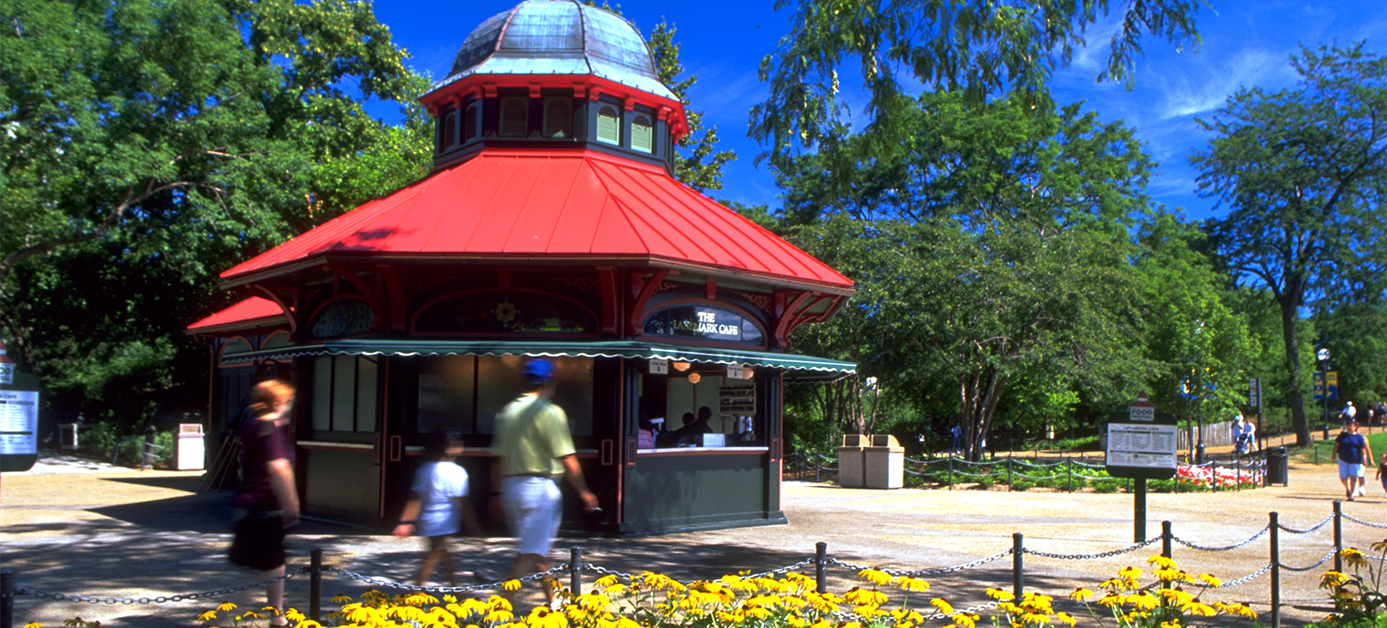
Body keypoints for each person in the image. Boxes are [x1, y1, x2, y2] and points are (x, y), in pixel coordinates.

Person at [491, 359, 599, 606]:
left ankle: (556, 604)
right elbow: (567, 458)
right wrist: (584, 492)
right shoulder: (550, 412)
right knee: (529, 553)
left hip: (511, 488)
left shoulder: (507, 412)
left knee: (539, 550)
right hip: (539, 489)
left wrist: (495, 495)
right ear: (549, 381)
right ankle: (496, 607)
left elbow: (498, 460)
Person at [228, 380, 298, 626]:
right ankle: (277, 618)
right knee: (273, 563)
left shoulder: (252, 425)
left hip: (248, 501)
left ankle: (235, 615)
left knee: (254, 562)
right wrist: (292, 502)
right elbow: (279, 467)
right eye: (288, 400)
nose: (290, 404)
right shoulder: (271, 428)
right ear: (278, 401)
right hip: (267, 504)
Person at [393, 432, 483, 586]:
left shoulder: (424, 469)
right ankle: (416, 592)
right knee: (434, 557)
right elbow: (462, 503)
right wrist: (475, 528)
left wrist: (405, 521)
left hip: (427, 520)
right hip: (444, 522)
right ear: (450, 448)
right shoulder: (458, 472)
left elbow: (415, 497)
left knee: (445, 558)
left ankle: (456, 590)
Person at [1334, 419, 1372, 501]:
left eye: (1351, 425)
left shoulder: (1359, 437)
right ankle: (1347, 488)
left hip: (1355, 459)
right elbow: (1337, 445)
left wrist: (1364, 459)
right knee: (1342, 477)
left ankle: (1351, 494)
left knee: (1353, 477)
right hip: (1343, 459)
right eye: (1348, 425)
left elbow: (1363, 449)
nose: (1349, 427)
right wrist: (1333, 454)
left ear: (1355, 426)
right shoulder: (1342, 436)